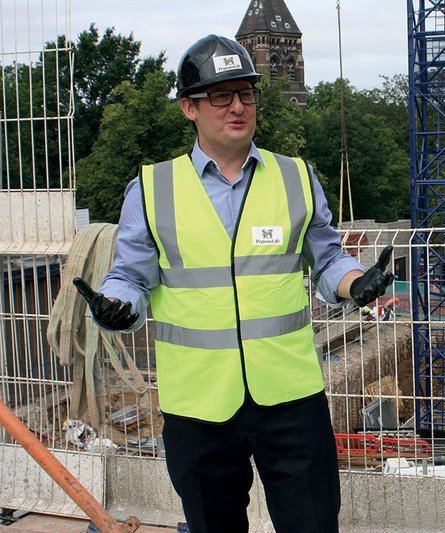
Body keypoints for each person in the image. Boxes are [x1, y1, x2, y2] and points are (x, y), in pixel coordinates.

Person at [73, 34, 393, 533]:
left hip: (289, 396)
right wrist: (114, 306)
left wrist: (357, 282)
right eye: (220, 96)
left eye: (246, 93)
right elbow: (130, 276)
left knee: (312, 523)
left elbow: (328, 258)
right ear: (189, 108)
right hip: (199, 404)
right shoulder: (153, 189)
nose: (237, 106)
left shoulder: (297, 179)